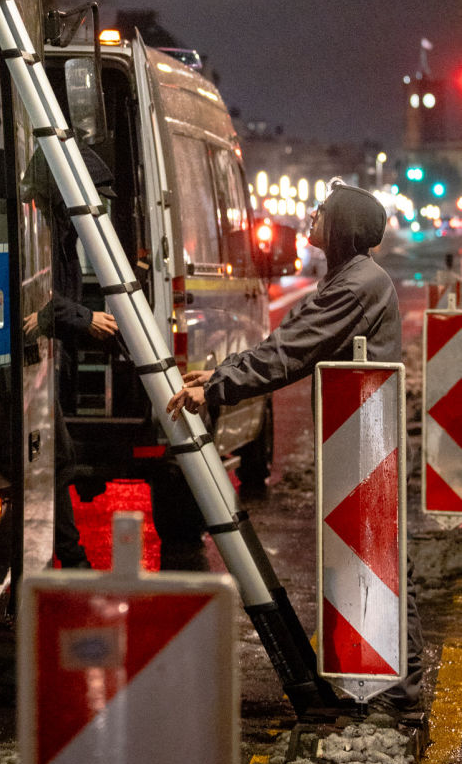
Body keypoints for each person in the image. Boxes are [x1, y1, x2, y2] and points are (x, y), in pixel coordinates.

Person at [167, 180, 424, 718]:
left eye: (323, 211)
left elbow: (294, 348)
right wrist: (221, 372)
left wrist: (217, 387)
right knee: (374, 557)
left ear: (345, 226)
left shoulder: (357, 284)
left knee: (375, 557)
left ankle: (397, 695)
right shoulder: (350, 278)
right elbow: (291, 338)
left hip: (364, 437)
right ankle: (388, 687)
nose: (312, 215)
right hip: (358, 435)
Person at [22, 145, 118, 568]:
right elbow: (39, 301)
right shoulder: (35, 227)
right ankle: (69, 562)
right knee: (57, 461)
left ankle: (57, 560)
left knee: (58, 460)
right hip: (25, 369)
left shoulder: (57, 231)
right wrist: (84, 319)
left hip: (39, 365)